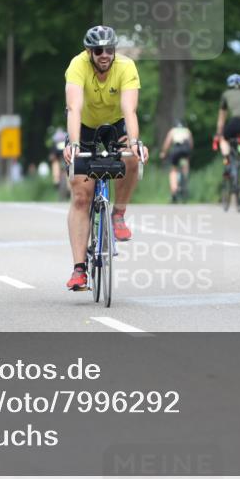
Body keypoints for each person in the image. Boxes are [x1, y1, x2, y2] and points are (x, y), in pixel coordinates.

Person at [62, 25, 148, 291]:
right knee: (81, 194)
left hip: (116, 124)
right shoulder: (77, 66)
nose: (104, 55)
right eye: (98, 50)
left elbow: (129, 110)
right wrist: (74, 144)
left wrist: (134, 142)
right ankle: (79, 270)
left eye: (109, 50)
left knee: (131, 158)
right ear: (89, 52)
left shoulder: (126, 67)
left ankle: (118, 214)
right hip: (85, 126)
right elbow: (74, 108)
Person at [160, 120, 193, 203]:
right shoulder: (187, 131)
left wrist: (163, 152)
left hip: (177, 150)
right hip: (186, 149)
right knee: (185, 165)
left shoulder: (173, 131)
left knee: (173, 170)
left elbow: (167, 143)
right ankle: (184, 180)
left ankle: (174, 189)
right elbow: (191, 144)